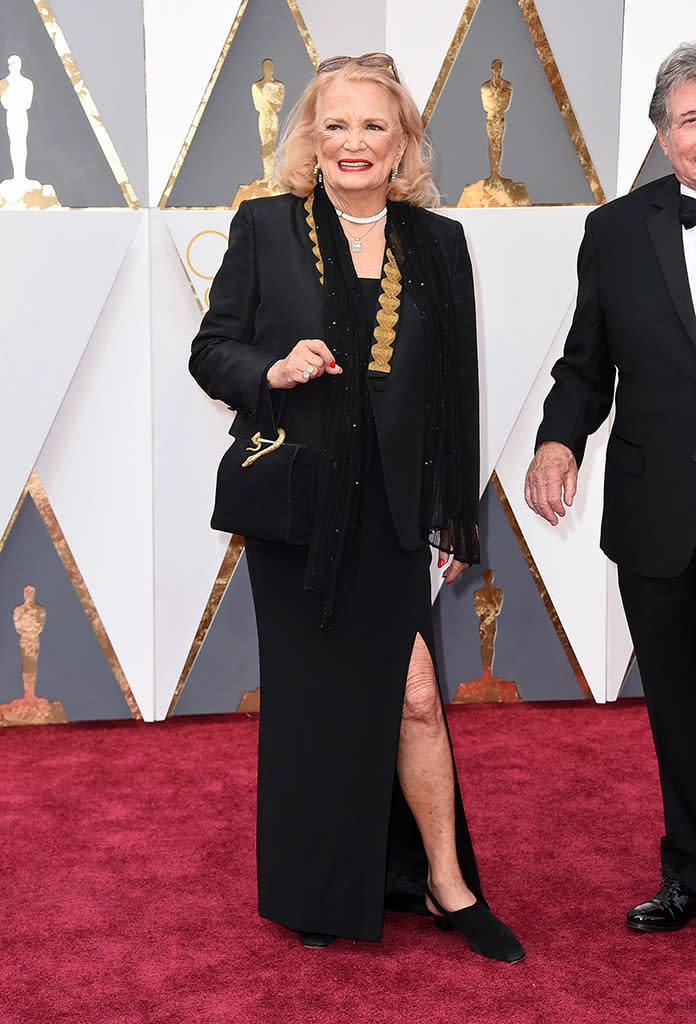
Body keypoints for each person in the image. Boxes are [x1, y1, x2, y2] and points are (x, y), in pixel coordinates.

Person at [190, 52, 523, 960]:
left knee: (416, 697)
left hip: (393, 515)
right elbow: (212, 349)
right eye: (335, 124)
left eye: (373, 125)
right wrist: (272, 368)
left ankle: (446, 886)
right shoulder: (264, 227)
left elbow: (456, 391)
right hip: (299, 514)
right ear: (311, 136)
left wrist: (456, 514)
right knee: (313, 704)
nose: (353, 142)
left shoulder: (438, 242)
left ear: (403, 139)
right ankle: (321, 888)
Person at [525, 41, 696, 933]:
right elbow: (585, 365)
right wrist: (559, 441)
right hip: (660, 508)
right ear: (664, 135)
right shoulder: (616, 230)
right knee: (675, 705)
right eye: (691, 119)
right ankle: (689, 873)